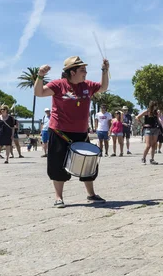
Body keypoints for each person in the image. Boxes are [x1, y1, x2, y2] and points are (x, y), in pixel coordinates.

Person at [33, 55, 109, 207]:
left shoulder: (87, 85)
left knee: (88, 164)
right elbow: (39, 93)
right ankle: (58, 197)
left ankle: (91, 194)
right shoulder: (58, 85)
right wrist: (40, 76)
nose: (85, 72)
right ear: (72, 72)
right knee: (57, 165)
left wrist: (104, 70)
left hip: (81, 132)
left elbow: (103, 87)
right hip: (60, 132)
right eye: (82, 69)